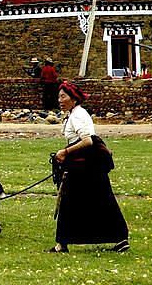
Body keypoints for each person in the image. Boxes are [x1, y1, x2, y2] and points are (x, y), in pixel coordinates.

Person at [49, 82, 129, 253]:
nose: (60, 100)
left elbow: (88, 141)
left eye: (63, 96)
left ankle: (62, 243)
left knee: (73, 201)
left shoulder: (78, 115)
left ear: (74, 98)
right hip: (85, 164)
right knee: (98, 200)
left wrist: (65, 151)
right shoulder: (73, 114)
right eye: (59, 97)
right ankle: (119, 237)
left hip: (86, 165)